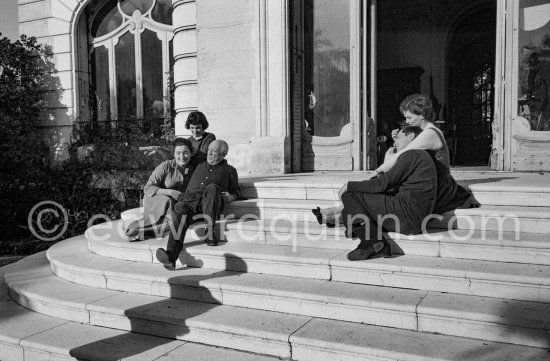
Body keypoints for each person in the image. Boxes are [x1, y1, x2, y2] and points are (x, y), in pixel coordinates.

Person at [317, 126, 437, 262]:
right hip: (413, 218)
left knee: (351, 195)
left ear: (411, 137)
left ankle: (373, 241)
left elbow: (382, 184)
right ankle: (371, 243)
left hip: (406, 214)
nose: (394, 141)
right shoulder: (422, 156)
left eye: (398, 137)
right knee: (350, 209)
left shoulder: (413, 154)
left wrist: (349, 185)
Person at [376, 94, 478, 214]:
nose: (407, 122)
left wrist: (378, 170)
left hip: (440, 187)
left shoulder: (430, 133)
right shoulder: (424, 132)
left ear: (422, 115)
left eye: (409, 117)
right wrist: (398, 140)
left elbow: (404, 155)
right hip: (430, 181)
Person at [155, 140, 241, 270]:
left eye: (215, 152)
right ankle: (170, 256)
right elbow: (180, 155)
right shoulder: (199, 163)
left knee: (212, 187)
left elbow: (237, 190)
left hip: (210, 203)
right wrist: (160, 149)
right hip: (190, 203)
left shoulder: (230, 170)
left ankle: (209, 231)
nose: (210, 153)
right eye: (209, 150)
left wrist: (232, 196)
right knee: (179, 213)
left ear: (224, 154)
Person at [125, 137, 195, 239]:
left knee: (178, 214)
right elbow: (148, 188)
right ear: (174, 154)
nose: (182, 156)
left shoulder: (193, 170)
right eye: (178, 153)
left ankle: (145, 232)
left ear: (191, 153)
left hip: (175, 202)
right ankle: (134, 228)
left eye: (185, 153)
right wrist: (170, 192)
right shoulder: (166, 166)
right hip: (155, 198)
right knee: (169, 203)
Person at [140, 110, 216, 165]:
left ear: (203, 125)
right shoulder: (189, 140)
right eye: (192, 128)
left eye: (198, 128)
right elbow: (175, 156)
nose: (195, 131)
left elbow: (201, 157)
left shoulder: (209, 137)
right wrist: (160, 149)